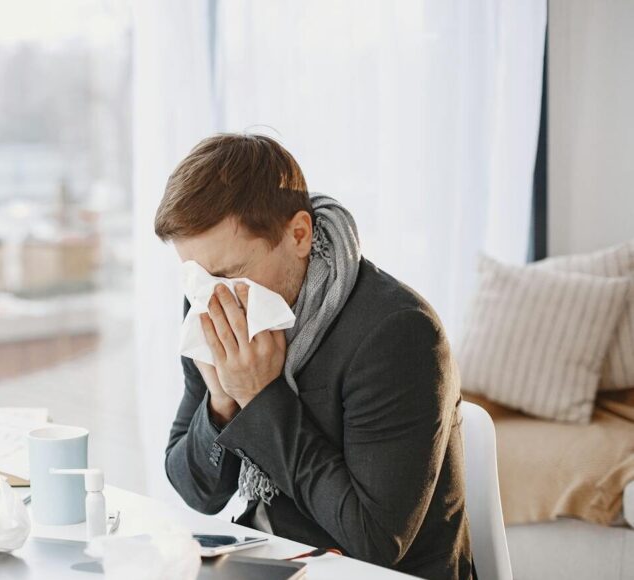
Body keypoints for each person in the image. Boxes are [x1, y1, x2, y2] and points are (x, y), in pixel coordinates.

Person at [156, 134, 473, 580]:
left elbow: (376, 543)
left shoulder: (398, 334)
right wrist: (221, 405)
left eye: (229, 273)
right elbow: (196, 492)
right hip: (263, 560)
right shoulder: (209, 299)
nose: (212, 296)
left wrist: (261, 398)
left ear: (299, 235)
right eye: (196, 275)